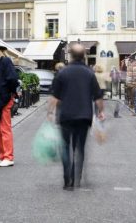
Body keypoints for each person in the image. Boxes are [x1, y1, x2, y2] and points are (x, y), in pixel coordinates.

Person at [48, 43, 104, 190]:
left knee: (66, 147)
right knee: (80, 147)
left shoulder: (63, 73)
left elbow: (55, 96)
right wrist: (101, 112)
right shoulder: (90, 74)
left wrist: (50, 112)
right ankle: (77, 176)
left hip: (66, 115)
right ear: (84, 56)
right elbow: (98, 96)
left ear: (70, 55)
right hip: (84, 116)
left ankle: (68, 179)